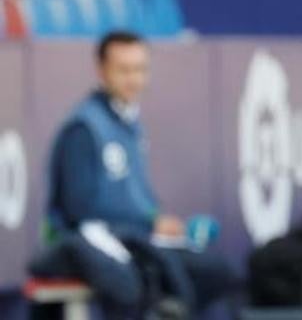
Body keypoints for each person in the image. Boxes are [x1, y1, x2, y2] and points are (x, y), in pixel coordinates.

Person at [31, 32, 235, 318]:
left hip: (140, 237)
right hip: (101, 241)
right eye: (123, 70)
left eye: (140, 69)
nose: (133, 79)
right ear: (101, 70)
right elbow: (79, 211)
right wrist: (148, 222)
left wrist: (158, 221)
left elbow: (138, 198)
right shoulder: (84, 128)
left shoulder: (131, 124)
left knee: (215, 271)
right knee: (139, 281)